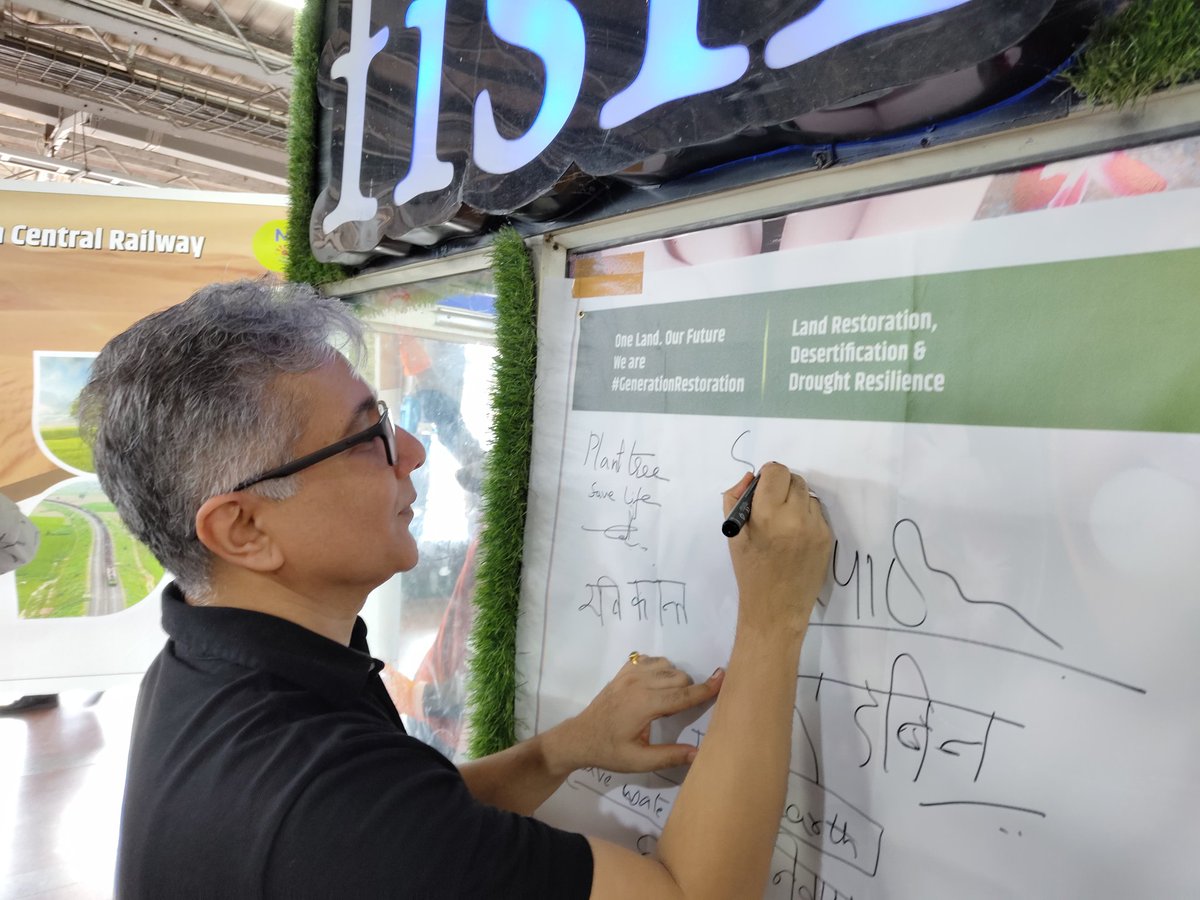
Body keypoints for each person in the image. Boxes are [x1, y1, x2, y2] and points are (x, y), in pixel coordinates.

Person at [78, 280, 831, 899]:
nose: (409, 450)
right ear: (243, 530)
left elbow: (422, 823)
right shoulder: (316, 792)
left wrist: (559, 752)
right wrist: (772, 615)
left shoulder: (221, 664)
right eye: (365, 434)